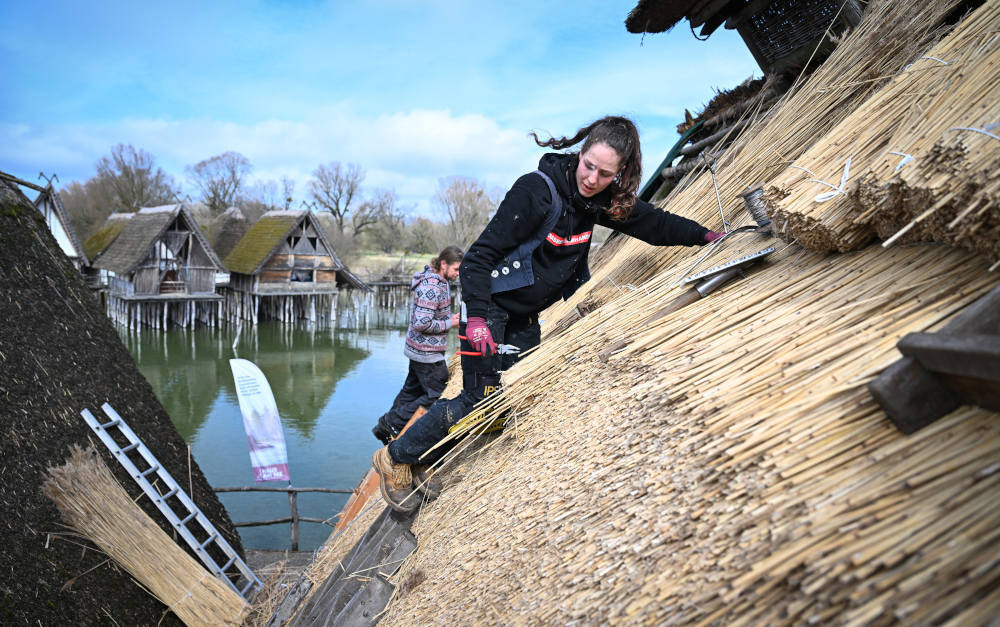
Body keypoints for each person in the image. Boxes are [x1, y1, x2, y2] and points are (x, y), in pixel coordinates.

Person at [373, 115, 723, 511]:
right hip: (490, 309)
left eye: (604, 173)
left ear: (620, 172)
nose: (591, 178)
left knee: (506, 403)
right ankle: (396, 457)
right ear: (580, 152)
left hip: (526, 317)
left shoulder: (600, 200)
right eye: (588, 165)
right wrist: (475, 320)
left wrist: (705, 236)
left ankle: (425, 455)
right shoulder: (535, 192)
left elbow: (654, 224)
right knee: (478, 396)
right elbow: (477, 260)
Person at [371, 246, 464, 445]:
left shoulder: (439, 281)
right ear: (443, 264)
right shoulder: (432, 286)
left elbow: (430, 315)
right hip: (427, 354)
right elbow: (421, 323)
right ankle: (391, 423)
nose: (458, 274)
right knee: (437, 396)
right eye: (456, 269)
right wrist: (451, 323)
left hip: (418, 351)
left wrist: (448, 318)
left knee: (410, 392)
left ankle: (385, 430)